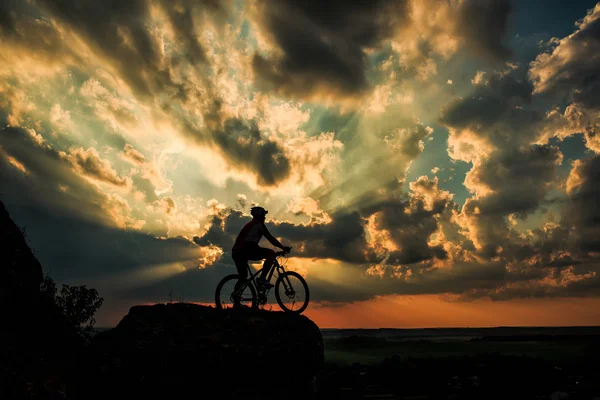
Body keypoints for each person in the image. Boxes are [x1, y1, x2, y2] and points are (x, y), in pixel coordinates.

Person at [231, 206, 291, 290]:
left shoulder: (252, 224)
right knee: (270, 254)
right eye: (263, 215)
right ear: (258, 216)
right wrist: (283, 248)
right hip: (244, 250)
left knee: (243, 278)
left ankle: (236, 298)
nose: (264, 217)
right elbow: (270, 238)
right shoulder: (258, 224)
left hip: (238, 252)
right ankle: (262, 279)